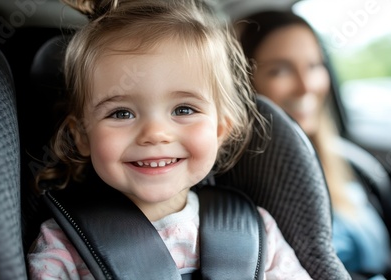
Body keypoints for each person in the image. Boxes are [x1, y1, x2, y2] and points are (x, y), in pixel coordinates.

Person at [26, 1, 313, 279]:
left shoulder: (255, 232)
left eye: (184, 109)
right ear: (82, 136)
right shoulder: (63, 246)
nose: (154, 133)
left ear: (220, 130)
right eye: (121, 113)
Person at [237, 10, 391, 280]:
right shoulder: (245, 194)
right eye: (279, 70)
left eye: (315, 66)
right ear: (244, 85)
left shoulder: (348, 162)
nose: (307, 85)